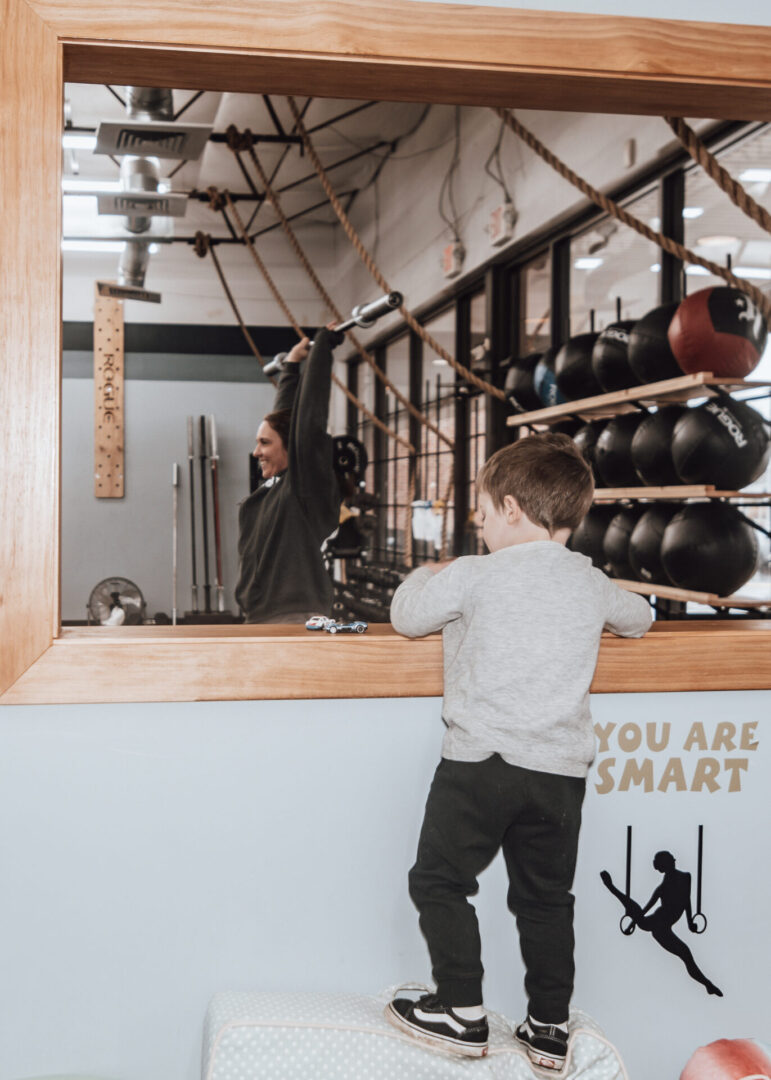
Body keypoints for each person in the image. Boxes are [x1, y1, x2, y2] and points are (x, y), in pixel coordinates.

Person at [386, 432, 653, 1068]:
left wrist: (424, 574)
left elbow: (407, 618)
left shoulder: (476, 574)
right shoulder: (589, 581)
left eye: (480, 513)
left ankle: (461, 1010)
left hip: (480, 765)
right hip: (559, 777)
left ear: (511, 509)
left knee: (440, 880)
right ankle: (548, 1028)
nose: (478, 528)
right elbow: (640, 618)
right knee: (545, 901)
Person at [235, 328, 341, 623]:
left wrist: (323, 348)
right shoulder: (276, 489)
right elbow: (283, 418)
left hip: (291, 618)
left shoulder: (302, 488)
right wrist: (291, 366)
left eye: (264, 443)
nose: (256, 452)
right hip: (260, 617)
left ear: (291, 447)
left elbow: (309, 418)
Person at [600, 853, 722, 996]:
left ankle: (708, 985)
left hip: (661, 928)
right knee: (636, 909)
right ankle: (611, 886)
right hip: (656, 925)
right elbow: (648, 906)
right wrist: (631, 923)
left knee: (686, 956)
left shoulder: (685, 877)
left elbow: (686, 900)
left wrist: (690, 923)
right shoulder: (663, 887)